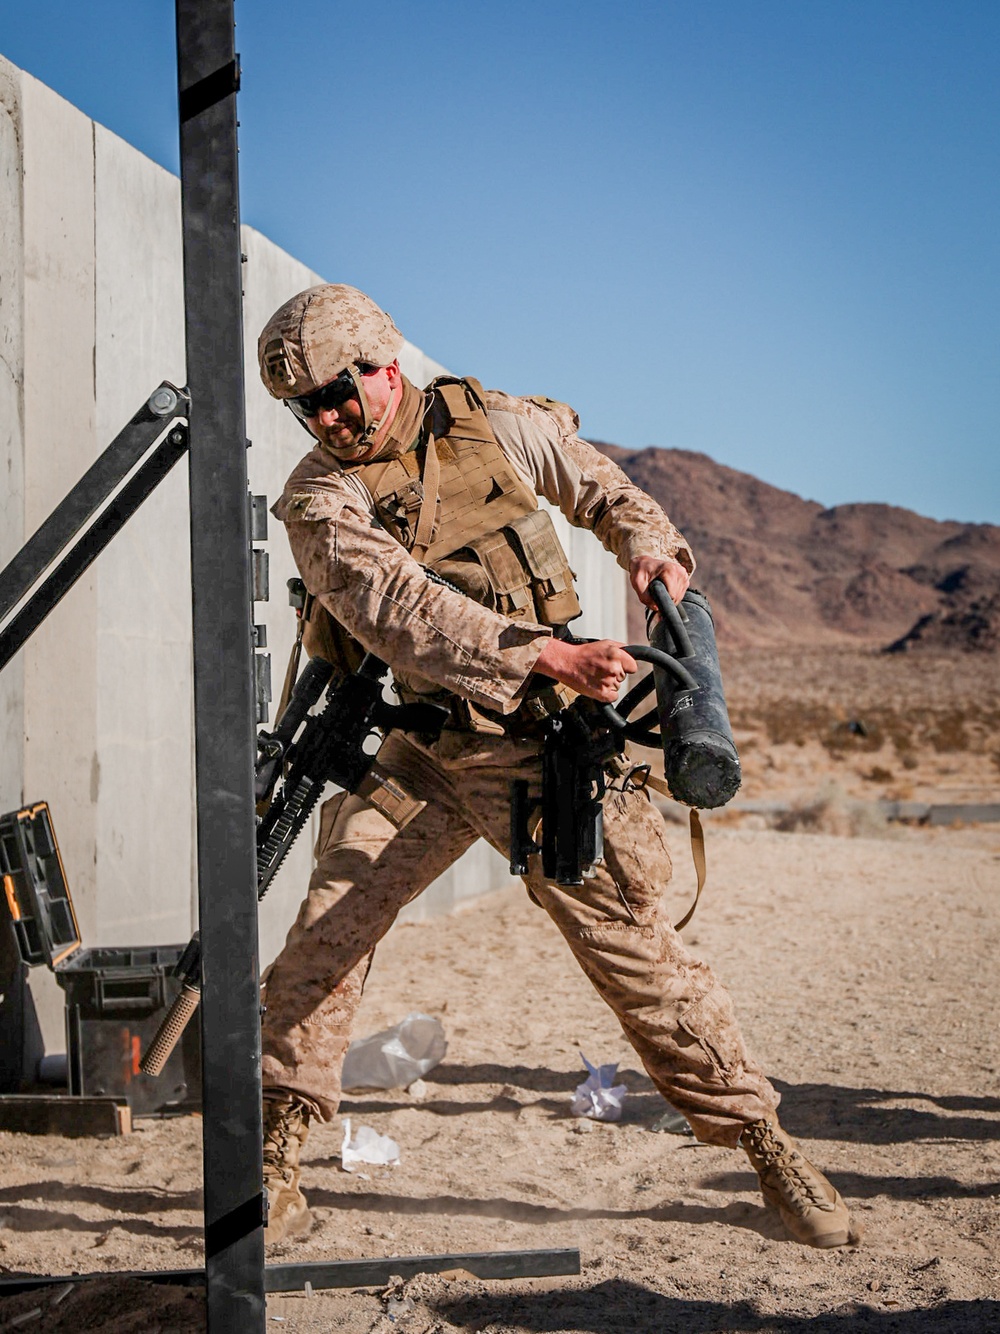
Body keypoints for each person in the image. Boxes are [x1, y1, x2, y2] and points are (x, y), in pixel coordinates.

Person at [255, 283, 860, 1251]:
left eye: (337, 393)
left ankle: (761, 1137)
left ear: (383, 364)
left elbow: (599, 485)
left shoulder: (488, 419)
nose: (326, 419)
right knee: (329, 924)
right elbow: (403, 609)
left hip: (535, 744)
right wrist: (548, 653)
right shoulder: (319, 498)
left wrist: (653, 550)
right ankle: (278, 1145)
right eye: (307, 408)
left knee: (638, 954)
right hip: (424, 743)